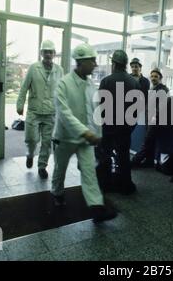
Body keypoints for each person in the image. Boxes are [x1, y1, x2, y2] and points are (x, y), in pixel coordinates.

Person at [51, 43, 117, 223]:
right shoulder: (63, 84)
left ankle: (96, 208)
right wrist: (86, 132)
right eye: (92, 61)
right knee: (60, 170)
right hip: (64, 138)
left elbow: (95, 112)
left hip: (85, 140)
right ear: (81, 62)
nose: (95, 64)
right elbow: (64, 114)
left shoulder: (90, 85)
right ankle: (57, 193)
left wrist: (98, 134)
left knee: (89, 172)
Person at [16, 40, 64, 179]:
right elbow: (24, 87)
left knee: (47, 142)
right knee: (31, 139)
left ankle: (42, 166)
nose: (48, 54)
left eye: (50, 52)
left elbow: (62, 91)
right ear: (41, 53)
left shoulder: (59, 70)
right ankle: (30, 154)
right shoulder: (33, 68)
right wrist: (20, 104)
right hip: (34, 111)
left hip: (51, 112)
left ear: (54, 54)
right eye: (45, 51)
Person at [96, 50, 141, 195]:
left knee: (105, 155)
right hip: (125, 127)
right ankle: (125, 185)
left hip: (108, 126)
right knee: (123, 156)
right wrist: (130, 126)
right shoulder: (134, 82)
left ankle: (106, 184)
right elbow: (138, 108)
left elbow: (100, 106)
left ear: (114, 64)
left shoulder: (106, 81)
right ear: (126, 64)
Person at [130, 68, 169, 168]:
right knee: (150, 141)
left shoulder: (163, 89)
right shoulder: (153, 89)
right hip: (149, 118)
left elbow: (162, 106)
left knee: (147, 141)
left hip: (155, 120)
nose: (153, 78)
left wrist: (155, 117)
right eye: (152, 76)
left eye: (156, 76)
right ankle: (149, 161)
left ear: (160, 78)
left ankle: (134, 162)